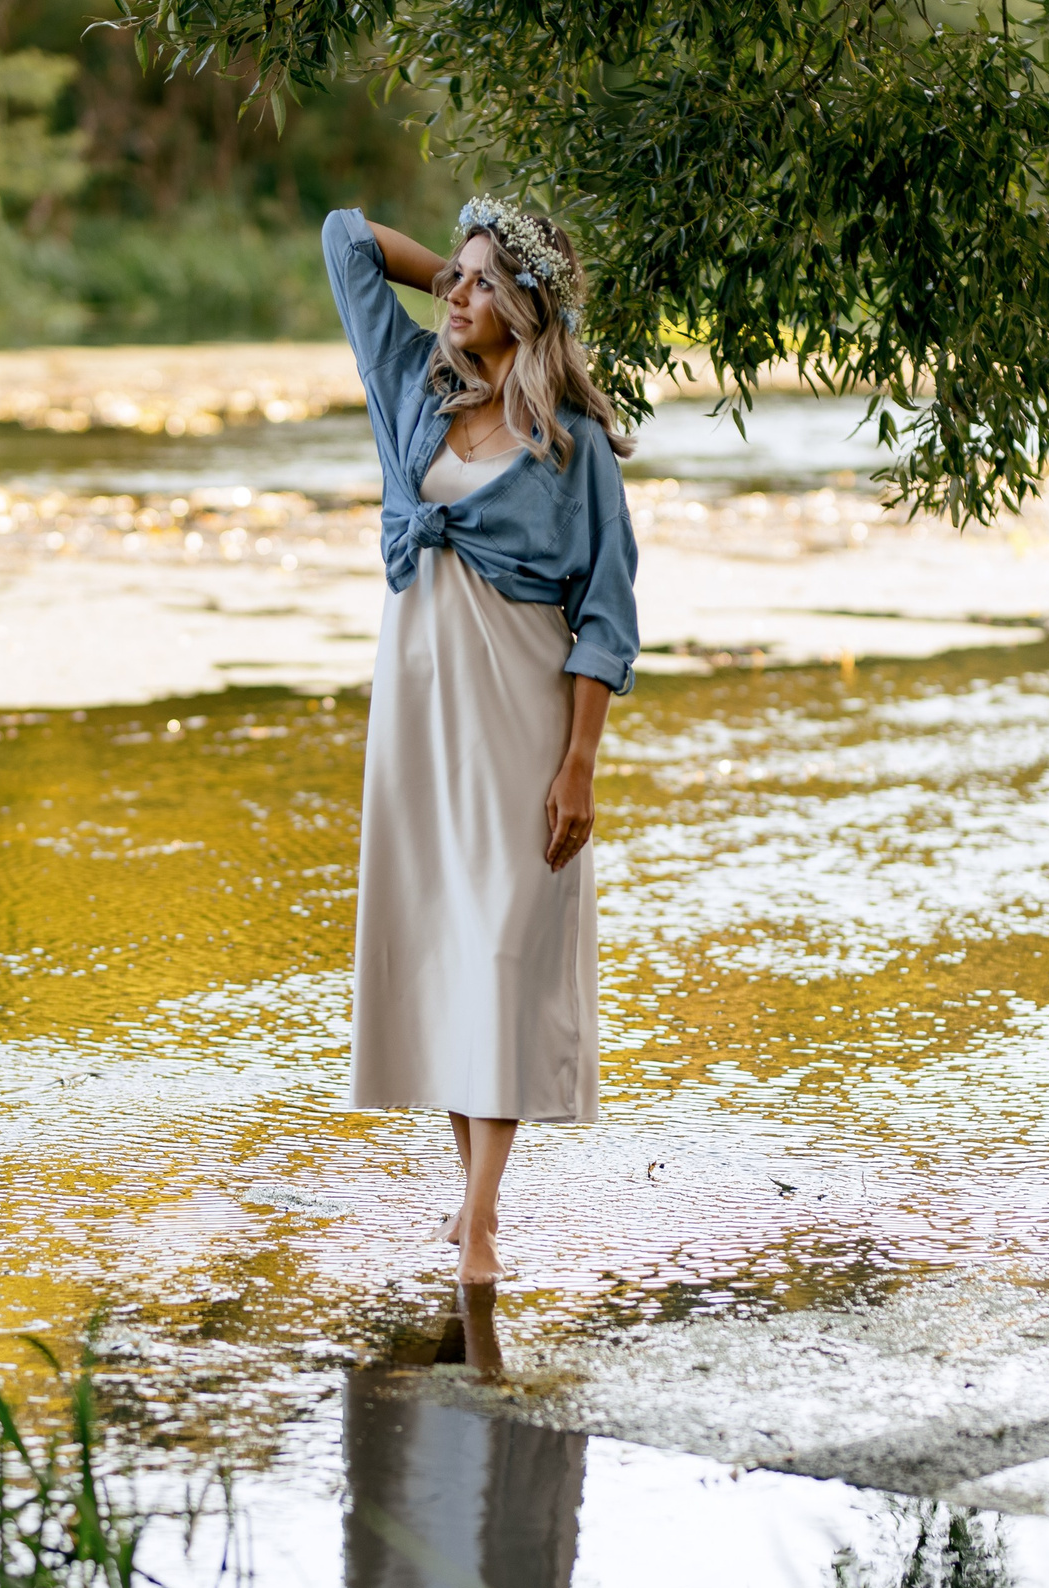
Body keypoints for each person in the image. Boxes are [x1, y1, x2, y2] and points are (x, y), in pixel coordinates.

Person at [323, 196, 640, 1288]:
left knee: (505, 954)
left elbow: (606, 612)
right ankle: (469, 1208)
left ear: (525, 307)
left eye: (478, 286)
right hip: (417, 712)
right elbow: (344, 238)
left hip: (519, 716)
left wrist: (578, 764)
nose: (454, 297)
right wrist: (461, 277)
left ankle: (481, 1216)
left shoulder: (574, 444)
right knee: (456, 954)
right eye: (450, 279)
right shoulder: (415, 385)